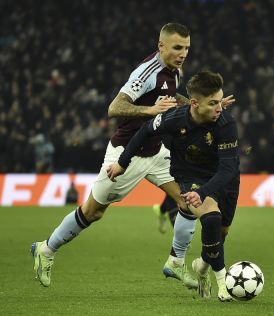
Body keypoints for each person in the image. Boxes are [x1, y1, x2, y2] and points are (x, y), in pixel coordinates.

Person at [31, 22, 201, 289]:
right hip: (127, 153)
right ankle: (46, 249)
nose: (183, 53)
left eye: (187, 48)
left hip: (156, 151)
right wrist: (150, 111)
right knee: (92, 212)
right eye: (178, 47)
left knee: (189, 200)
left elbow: (170, 96)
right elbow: (115, 107)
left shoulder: (174, 70)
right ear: (161, 45)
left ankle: (175, 263)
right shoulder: (146, 73)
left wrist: (195, 104)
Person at [107, 71, 240, 302]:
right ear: (195, 104)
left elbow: (228, 170)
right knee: (210, 218)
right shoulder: (174, 118)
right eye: (213, 103)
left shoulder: (226, 124)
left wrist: (203, 192)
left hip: (224, 178)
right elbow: (144, 131)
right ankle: (223, 282)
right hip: (189, 174)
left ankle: (203, 267)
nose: (220, 108)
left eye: (220, 101)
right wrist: (121, 162)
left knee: (221, 232)